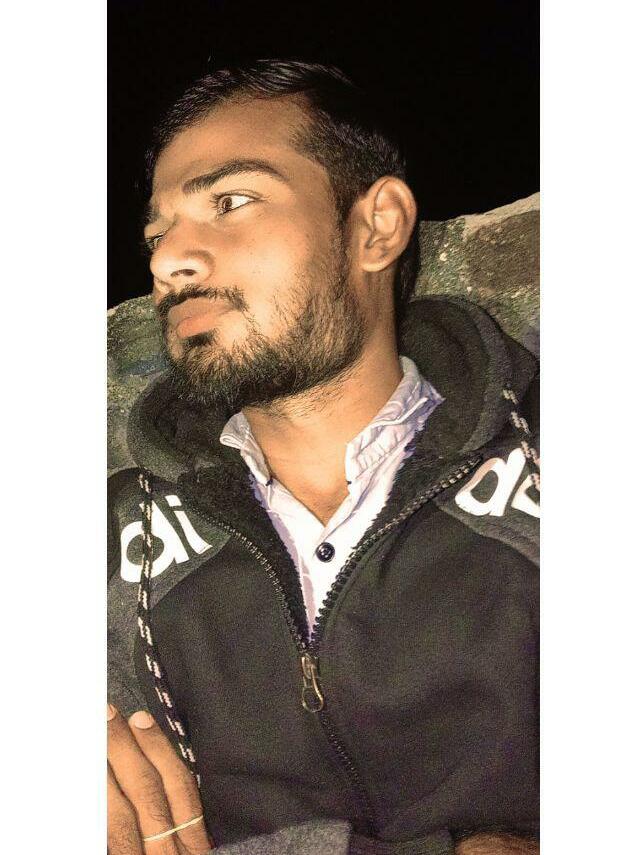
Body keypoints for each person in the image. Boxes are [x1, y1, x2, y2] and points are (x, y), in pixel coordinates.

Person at [107, 60, 540, 854]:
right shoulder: (109, 542)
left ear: (377, 227)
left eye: (230, 202)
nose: (169, 261)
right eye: (157, 234)